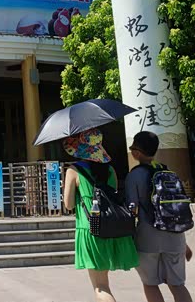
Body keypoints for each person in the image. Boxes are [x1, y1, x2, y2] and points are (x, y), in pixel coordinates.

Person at [62, 128, 139, 302]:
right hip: (111, 227)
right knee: (104, 283)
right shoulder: (110, 170)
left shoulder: (74, 170)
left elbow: (69, 205)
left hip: (90, 229)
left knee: (100, 287)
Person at [126, 131, 194, 302]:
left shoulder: (134, 175)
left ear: (137, 153)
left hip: (148, 237)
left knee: (150, 284)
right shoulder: (168, 171)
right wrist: (184, 244)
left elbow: (131, 208)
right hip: (176, 236)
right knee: (177, 285)